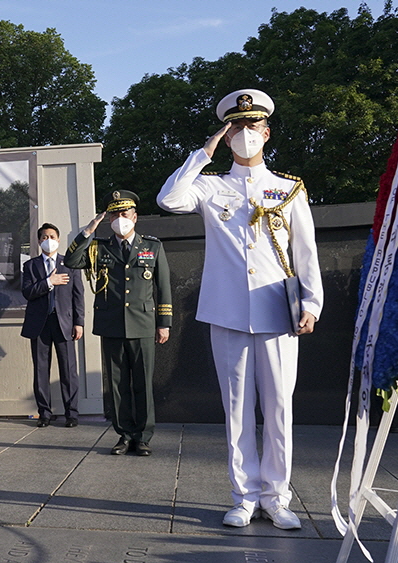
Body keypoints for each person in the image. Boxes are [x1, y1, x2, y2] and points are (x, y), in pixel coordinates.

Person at [157, 89, 323, 530]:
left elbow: (306, 252)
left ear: (267, 133)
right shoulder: (211, 186)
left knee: (279, 408)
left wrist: (312, 303)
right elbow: (169, 199)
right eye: (237, 128)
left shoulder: (288, 189)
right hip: (228, 313)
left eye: (253, 127)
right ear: (227, 136)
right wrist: (204, 151)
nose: (245, 135)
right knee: (236, 410)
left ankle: (277, 496)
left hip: (277, 313)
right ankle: (244, 496)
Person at [66, 190, 172, 458]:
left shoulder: (152, 246)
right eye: (114, 215)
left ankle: (143, 436)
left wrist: (164, 323)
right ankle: (124, 435)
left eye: (124, 214)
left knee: (142, 384)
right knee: (117, 385)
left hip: (144, 323)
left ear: (135, 217)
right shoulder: (98, 247)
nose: (119, 219)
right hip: (112, 324)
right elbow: (71, 260)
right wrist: (88, 230)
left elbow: (164, 287)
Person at [21, 222, 84, 428]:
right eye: (44, 237)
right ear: (39, 241)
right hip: (40, 325)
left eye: (52, 237)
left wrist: (79, 323)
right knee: (41, 370)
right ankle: (44, 413)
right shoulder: (30, 266)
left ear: (58, 240)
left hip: (64, 322)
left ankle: (71, 413)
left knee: (68, 370)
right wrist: (49, 282)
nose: (48, 240)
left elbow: (78, 296)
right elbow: (28, 292)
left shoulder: (71, 264)